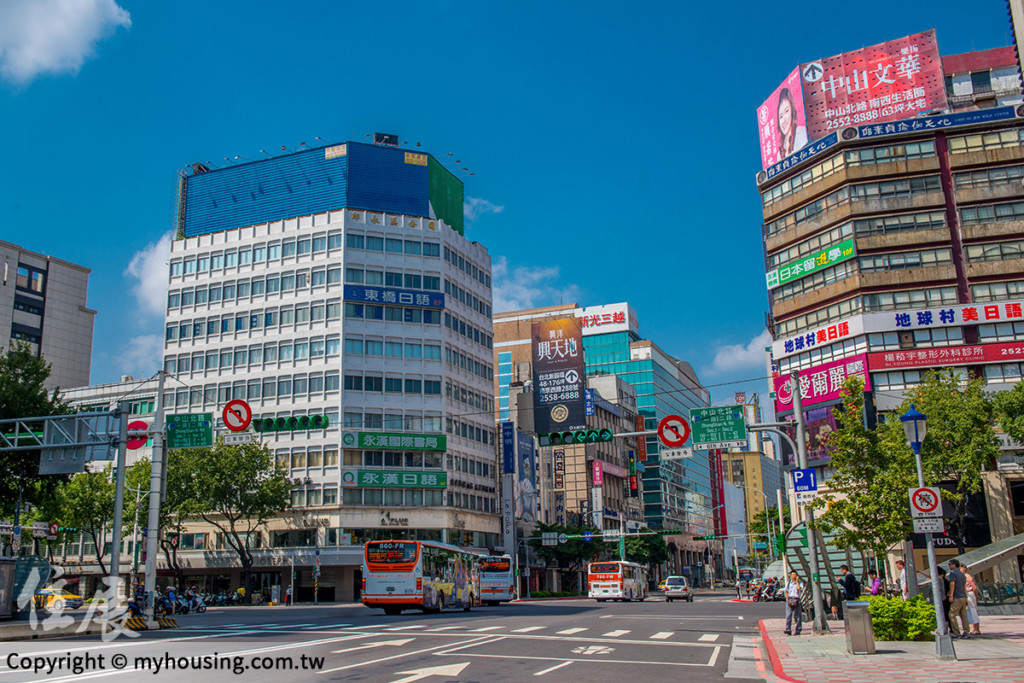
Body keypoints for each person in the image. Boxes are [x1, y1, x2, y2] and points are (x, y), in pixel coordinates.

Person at [776, 87, 808, 159]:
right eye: (780, 116)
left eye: (786, 111)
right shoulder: (779, 153)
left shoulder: (801, 132)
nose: (784, 120)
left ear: (792, 111)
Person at [947, 559, 970, 638]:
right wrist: (966, 597)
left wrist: (951, 595)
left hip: (957, 596)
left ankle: (956, 632)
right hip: (963, 596)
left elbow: (952, 584)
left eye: (950, 564)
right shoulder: (962, 574)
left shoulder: (953, 573)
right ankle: (967, 632)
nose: (949, 566)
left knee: (951, 614)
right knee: (964, 615)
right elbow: (964, 586)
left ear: (954, 565)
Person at [784, 570, 804, 636]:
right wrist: (787, 599)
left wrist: (797, 581)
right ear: (791, 576)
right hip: (790, 599)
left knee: (797, 616)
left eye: (795, 575)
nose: (794, 576)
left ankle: (798, 629)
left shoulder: (800, 583)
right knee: (788, 615)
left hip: (797, 599)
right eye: (792, 575)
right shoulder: (788, 583)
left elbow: (799, 588)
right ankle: (788, 629)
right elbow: (786, 591)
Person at [965, 569, 981, 635]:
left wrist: (975, 594)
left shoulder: (967, 576)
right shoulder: (964, 576)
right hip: (967, 594)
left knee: (973, 610)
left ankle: (977, 628)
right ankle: (974, 628)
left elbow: (974, 587)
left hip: (970, 594)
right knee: (970, 611)